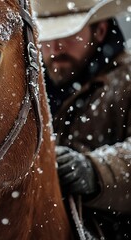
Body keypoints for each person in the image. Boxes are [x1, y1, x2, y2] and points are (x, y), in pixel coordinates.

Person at [32, 0, 131, 238]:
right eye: (45, 36)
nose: (54, 48)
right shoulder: (28, 86)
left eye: (67, 35)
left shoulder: (127, 82)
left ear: (100, 30)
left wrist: (95, 172)